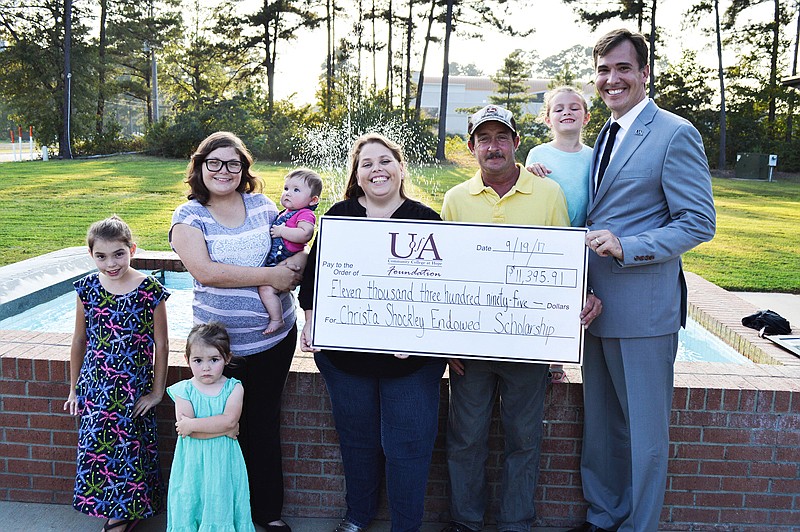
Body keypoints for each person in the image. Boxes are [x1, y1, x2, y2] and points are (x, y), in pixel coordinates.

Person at [570, 29, 716, 532]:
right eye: (604, 70)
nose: (613, 79)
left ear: (645, 74)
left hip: (645, 309)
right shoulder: (605, 134)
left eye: (623, 69)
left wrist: (629, 246)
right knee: (602, 428)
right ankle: (604, 516)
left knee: (645, 433)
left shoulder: (675, 133)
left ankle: (639, 525)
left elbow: (698, 221)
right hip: (595, 306)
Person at [441, 105, 602, 532]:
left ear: (516, 142)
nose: (493, 147)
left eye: (501, 138)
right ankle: (466, 521)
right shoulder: (456, 198)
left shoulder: (548, 195)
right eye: (483, 139)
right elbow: (445, 278)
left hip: (529, 345)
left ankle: (516, 522)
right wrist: (446, 342)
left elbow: (564, 264)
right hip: (471, 347)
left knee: (524, 440)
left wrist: (573, 310)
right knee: (465, 439)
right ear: (472, 147)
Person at [298, 132, 447, 532]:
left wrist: (418, 336)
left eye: (385, 161)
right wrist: (311, 323)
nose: (377, 169)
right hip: (346, 361)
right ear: (358, 175)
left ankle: (406, 526)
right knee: (357, 443)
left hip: (411, 363)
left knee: (408, 449)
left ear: (400, 168)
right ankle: (357, 517)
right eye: (367, 164)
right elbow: (314, 279)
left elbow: (445, 293)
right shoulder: (340, 215)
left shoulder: (426, 220)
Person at [169, 131, 304, 531]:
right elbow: (206, 272)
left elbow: (294, 257)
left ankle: (267, 513)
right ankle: (222, 514)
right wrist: (272, 275)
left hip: (274, 340)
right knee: (221, 431)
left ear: (244, 168)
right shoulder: (188, 216)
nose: (224, 170)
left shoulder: (263, 207)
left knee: (263, 423)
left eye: (233, 163)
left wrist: (292, 271)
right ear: (200, 167)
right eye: (215, 162)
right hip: (217, 352)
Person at [63, 215, 169, 532]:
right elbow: (79, 340)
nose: (111, 263)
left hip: (133, 388)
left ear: (132, 249)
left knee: (130, 450)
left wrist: (157, 391)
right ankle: (114, 509)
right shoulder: (87, 289)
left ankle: (124, 514)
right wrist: (73, 389)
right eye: (102, 256)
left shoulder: (150, 290)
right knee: (100, 449)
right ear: (91, 255)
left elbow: (161, 345)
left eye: (118, 254)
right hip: (95, 388)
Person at [525, 86, 593, 384]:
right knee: (543, 297)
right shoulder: (539, 153)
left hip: (581, 238)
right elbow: (525, 187)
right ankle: (535, 354)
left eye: (574, 107)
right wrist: (529, 171)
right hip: (547, 239)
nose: (567, 112)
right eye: (559, 109)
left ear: (586, 117)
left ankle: (557, 358)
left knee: (571, 299)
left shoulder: (595, 156)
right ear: (548, 119)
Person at [166, 322, 255, 532]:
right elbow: (187, 431)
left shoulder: (234, 388)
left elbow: (229, 420)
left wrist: (199, 425)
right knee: (191, 500)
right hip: (192, 464)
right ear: (187, 360)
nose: (206, 367)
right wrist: (224, 430)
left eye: (214, 360)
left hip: (224, 462)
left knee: (220, 500)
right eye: (198, 360)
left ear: (227, 359)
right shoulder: (183, 390)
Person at [259, 168, 322, 334]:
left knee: (265, 289)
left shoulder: (305, 214)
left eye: (296, 190)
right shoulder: (285, 213)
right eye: (286, 189)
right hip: (279, 259)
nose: (288, 193)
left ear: (313, 199)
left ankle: (277, 319)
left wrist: (282, 232)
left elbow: (305, 234)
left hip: (287, 259)